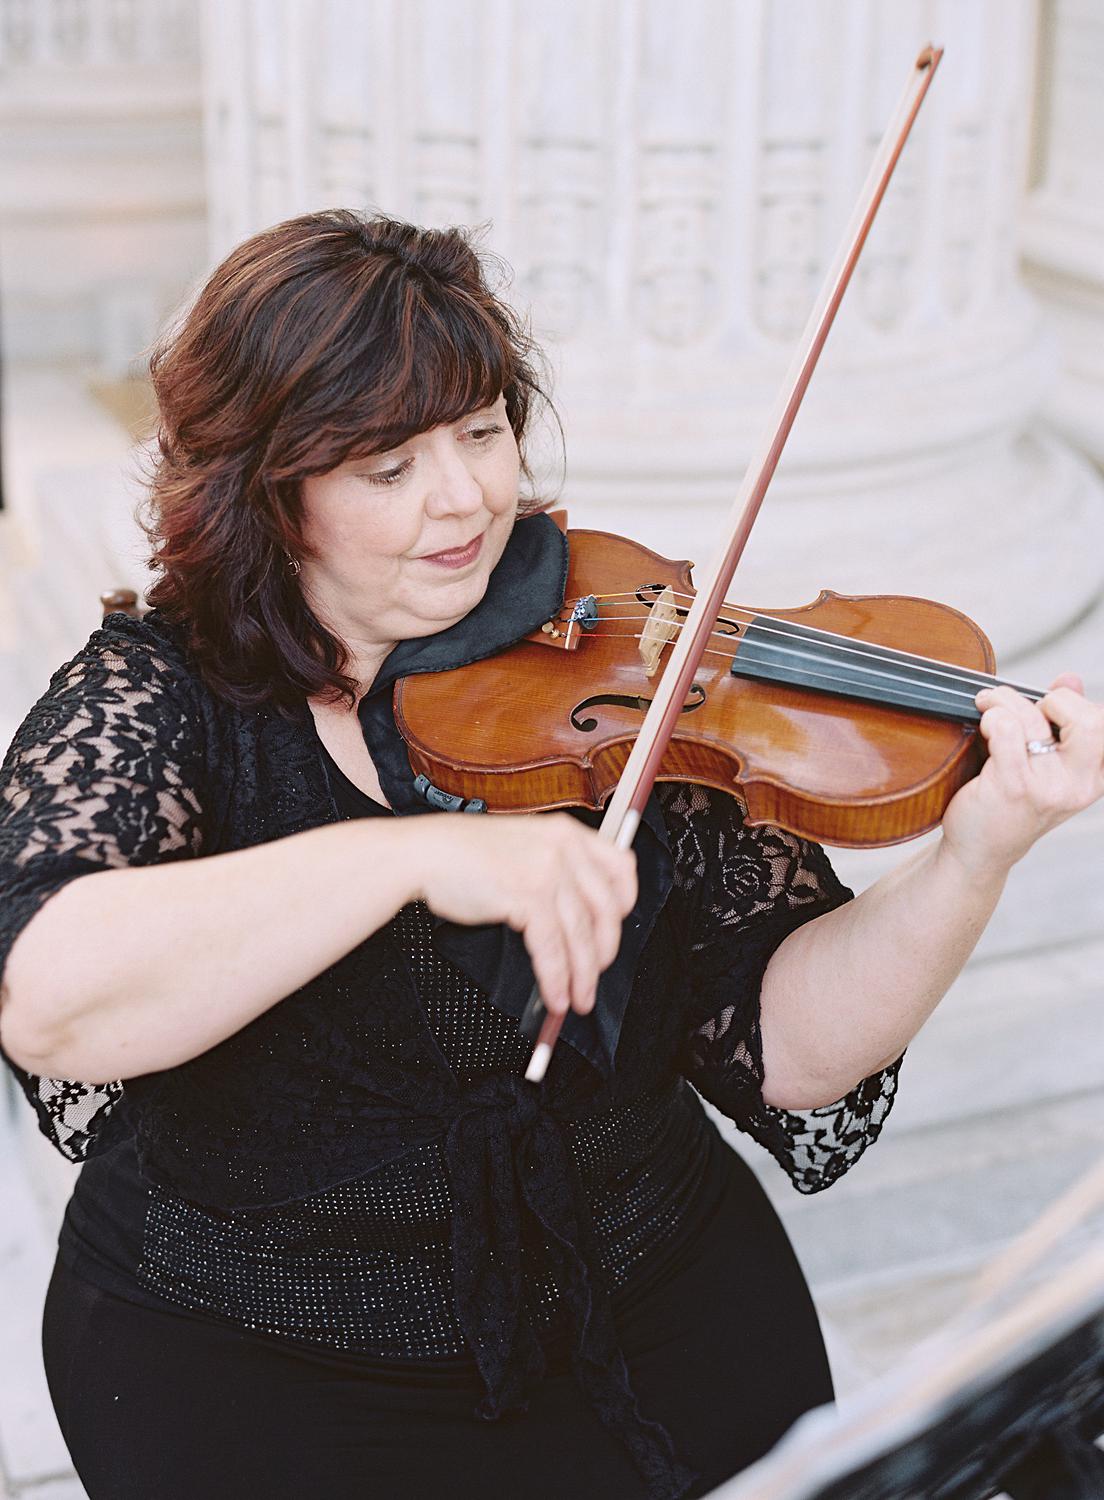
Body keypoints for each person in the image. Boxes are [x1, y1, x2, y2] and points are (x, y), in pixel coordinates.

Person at [0, 210, 1100, 1500]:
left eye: (480, 432)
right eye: (387, 466)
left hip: (644, 1300)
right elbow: (50, 1003)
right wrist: (406, 862)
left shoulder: (613, 659)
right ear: (267, 488)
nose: (466, 498)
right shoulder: (164, 694)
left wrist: (976, 854)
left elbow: (788, 1048)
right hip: (260, 1357)